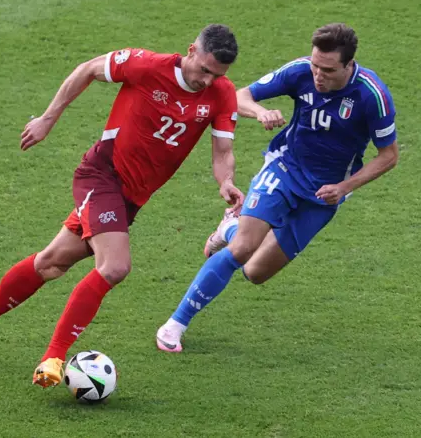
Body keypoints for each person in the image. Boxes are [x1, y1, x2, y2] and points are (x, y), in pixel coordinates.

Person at [0, 24, 244, 387]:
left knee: (52, 262)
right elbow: (87, 69)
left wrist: (225, 181)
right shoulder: (145, 65)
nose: (207, 80)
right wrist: (47, 119)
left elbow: (223, 152)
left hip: (132, 197)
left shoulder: (222, 93)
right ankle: (54, 357)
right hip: (103, 175)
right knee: (115, 266)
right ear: (191, 51)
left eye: (217, 75)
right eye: (204, 70)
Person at [156, 23, 399, 352]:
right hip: (285, 168)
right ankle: (174, 325)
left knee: (255, 272)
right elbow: (239, 95)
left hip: (323, 194)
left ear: (348, 65)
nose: (317, 75)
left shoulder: (372, 96)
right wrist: (259, 112)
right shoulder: (300, 71)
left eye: (327, 70)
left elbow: (388, 156)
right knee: (242, 250)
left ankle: (229, 228)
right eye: (315, 65)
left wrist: (344, 187)